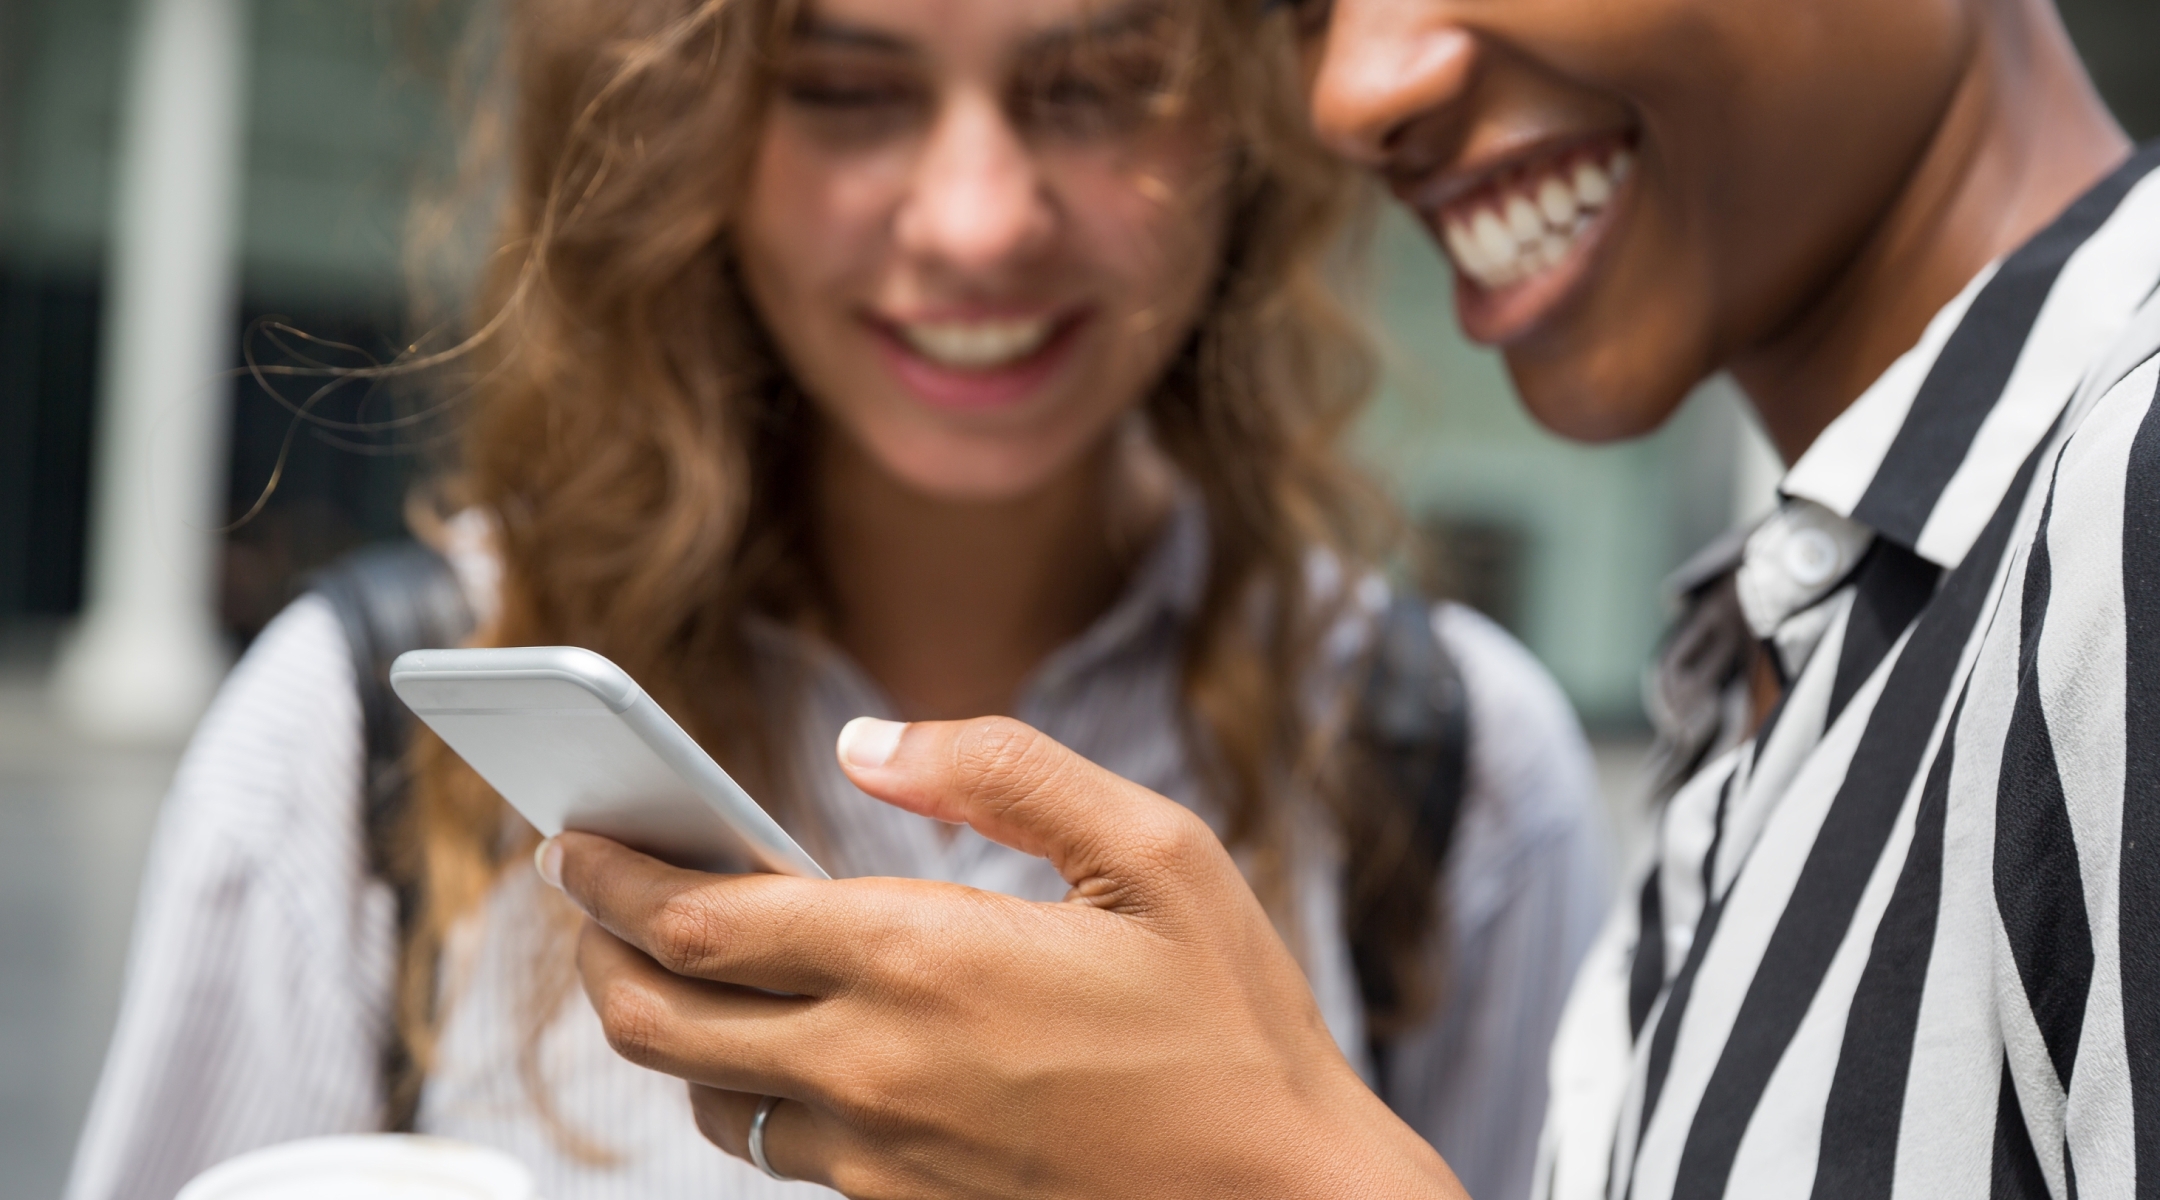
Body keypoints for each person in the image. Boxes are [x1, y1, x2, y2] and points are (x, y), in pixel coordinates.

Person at [542, 0, 2160, 1195]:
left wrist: (1283, 1170)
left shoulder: (2128, 486)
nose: (1353, 86)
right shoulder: (1818, 646)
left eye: (1101, 85)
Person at [64, 1, 1609, 1199]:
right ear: (683, 120)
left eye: (1093, 84)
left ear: (1247, 123)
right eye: (849, 91)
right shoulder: (364, 727)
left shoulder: (1454, 766)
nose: (976, 221)